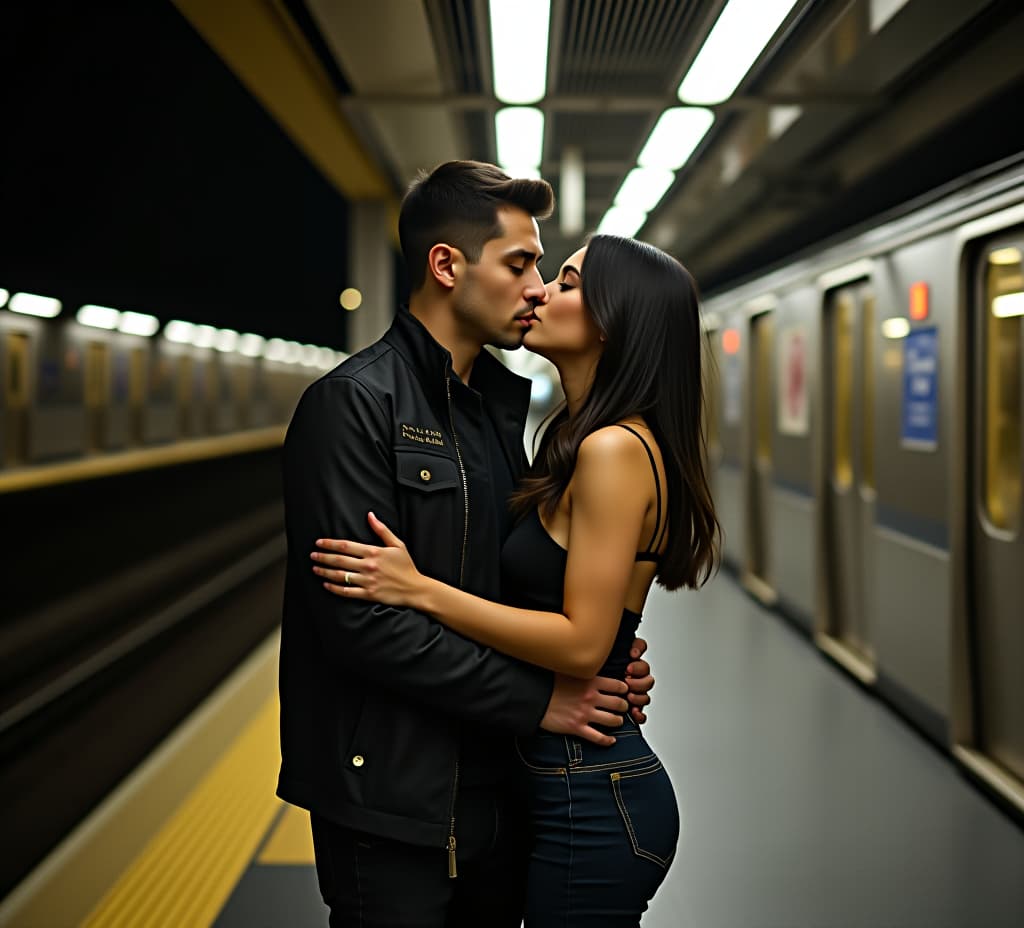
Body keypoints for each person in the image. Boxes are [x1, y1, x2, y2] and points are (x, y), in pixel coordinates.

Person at [278, 161, 657, 928]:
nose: (537, 286)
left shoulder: (493, 412)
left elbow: (508, 587)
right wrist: (540, 698)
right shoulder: (353, 406)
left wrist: (602, 653)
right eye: (520, 263)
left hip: (501, 791)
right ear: (447, 266)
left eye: (543, 267)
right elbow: (359, 625)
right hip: (392, 802)